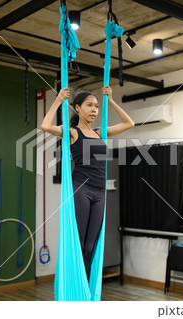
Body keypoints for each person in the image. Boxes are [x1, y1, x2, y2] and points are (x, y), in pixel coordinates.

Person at [41, 85, 134, 281]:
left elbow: (129, 123)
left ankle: (85, 288)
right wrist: (58, 100)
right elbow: (45, 126)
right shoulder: (73, 132)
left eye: (97, 106)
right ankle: (76, 287)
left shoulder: (101, 132)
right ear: (78, 108)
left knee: (91, 246)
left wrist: (111, 101)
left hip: (100, 192)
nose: (94, 110)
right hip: (81, 189)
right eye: (89, 105)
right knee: (80, 244)